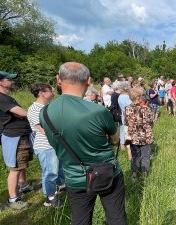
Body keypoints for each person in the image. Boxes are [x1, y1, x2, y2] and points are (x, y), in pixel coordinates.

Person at [40, 62, 127, 225]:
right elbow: (115, 140)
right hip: (108, 173)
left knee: (80, 220)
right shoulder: (98, 111)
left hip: (74, 177)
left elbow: (55, 141)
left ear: (58, 80)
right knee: (116, 218)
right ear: (88, 81)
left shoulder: (44, 113)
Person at [0, 71, 35, 210]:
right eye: (9, 80)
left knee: (21, 163)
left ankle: (24, 185)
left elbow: (18, 113)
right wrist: (35, 114)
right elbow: (21, 112)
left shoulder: (4, 97)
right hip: (13, 137)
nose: (12, 82)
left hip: (19, 135)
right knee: (15, 168)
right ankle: (13, 198)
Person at [27, 83, 66, 207]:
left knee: (59, 168)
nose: (53, 93)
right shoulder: (34, 109)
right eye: (50, 90)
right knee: (50, 171)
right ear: (41, 93)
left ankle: (61, 186)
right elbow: (43, 129)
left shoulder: (48, 106)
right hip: (45, 146)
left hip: (54, 143)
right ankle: (50, 197)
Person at [124, 88, 154, 182]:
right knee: (145, 156)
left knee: (135, 157)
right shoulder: (146, 108)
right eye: (141, 96)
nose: (142, 97)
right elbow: (151, 122)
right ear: (137, 97)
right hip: (146, 137)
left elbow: (125, 123)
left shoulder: (127, 109)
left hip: (133, 138)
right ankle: (144, 175)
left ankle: (133, 176)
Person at [118, 81, 132, 161]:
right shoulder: (126, 97)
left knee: (127, 133)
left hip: (124, 115)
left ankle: (129, 152)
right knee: (129, 133)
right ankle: (130, 154)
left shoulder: (120, 96)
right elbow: (131, 106)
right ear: (126, 88)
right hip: (129, 116)